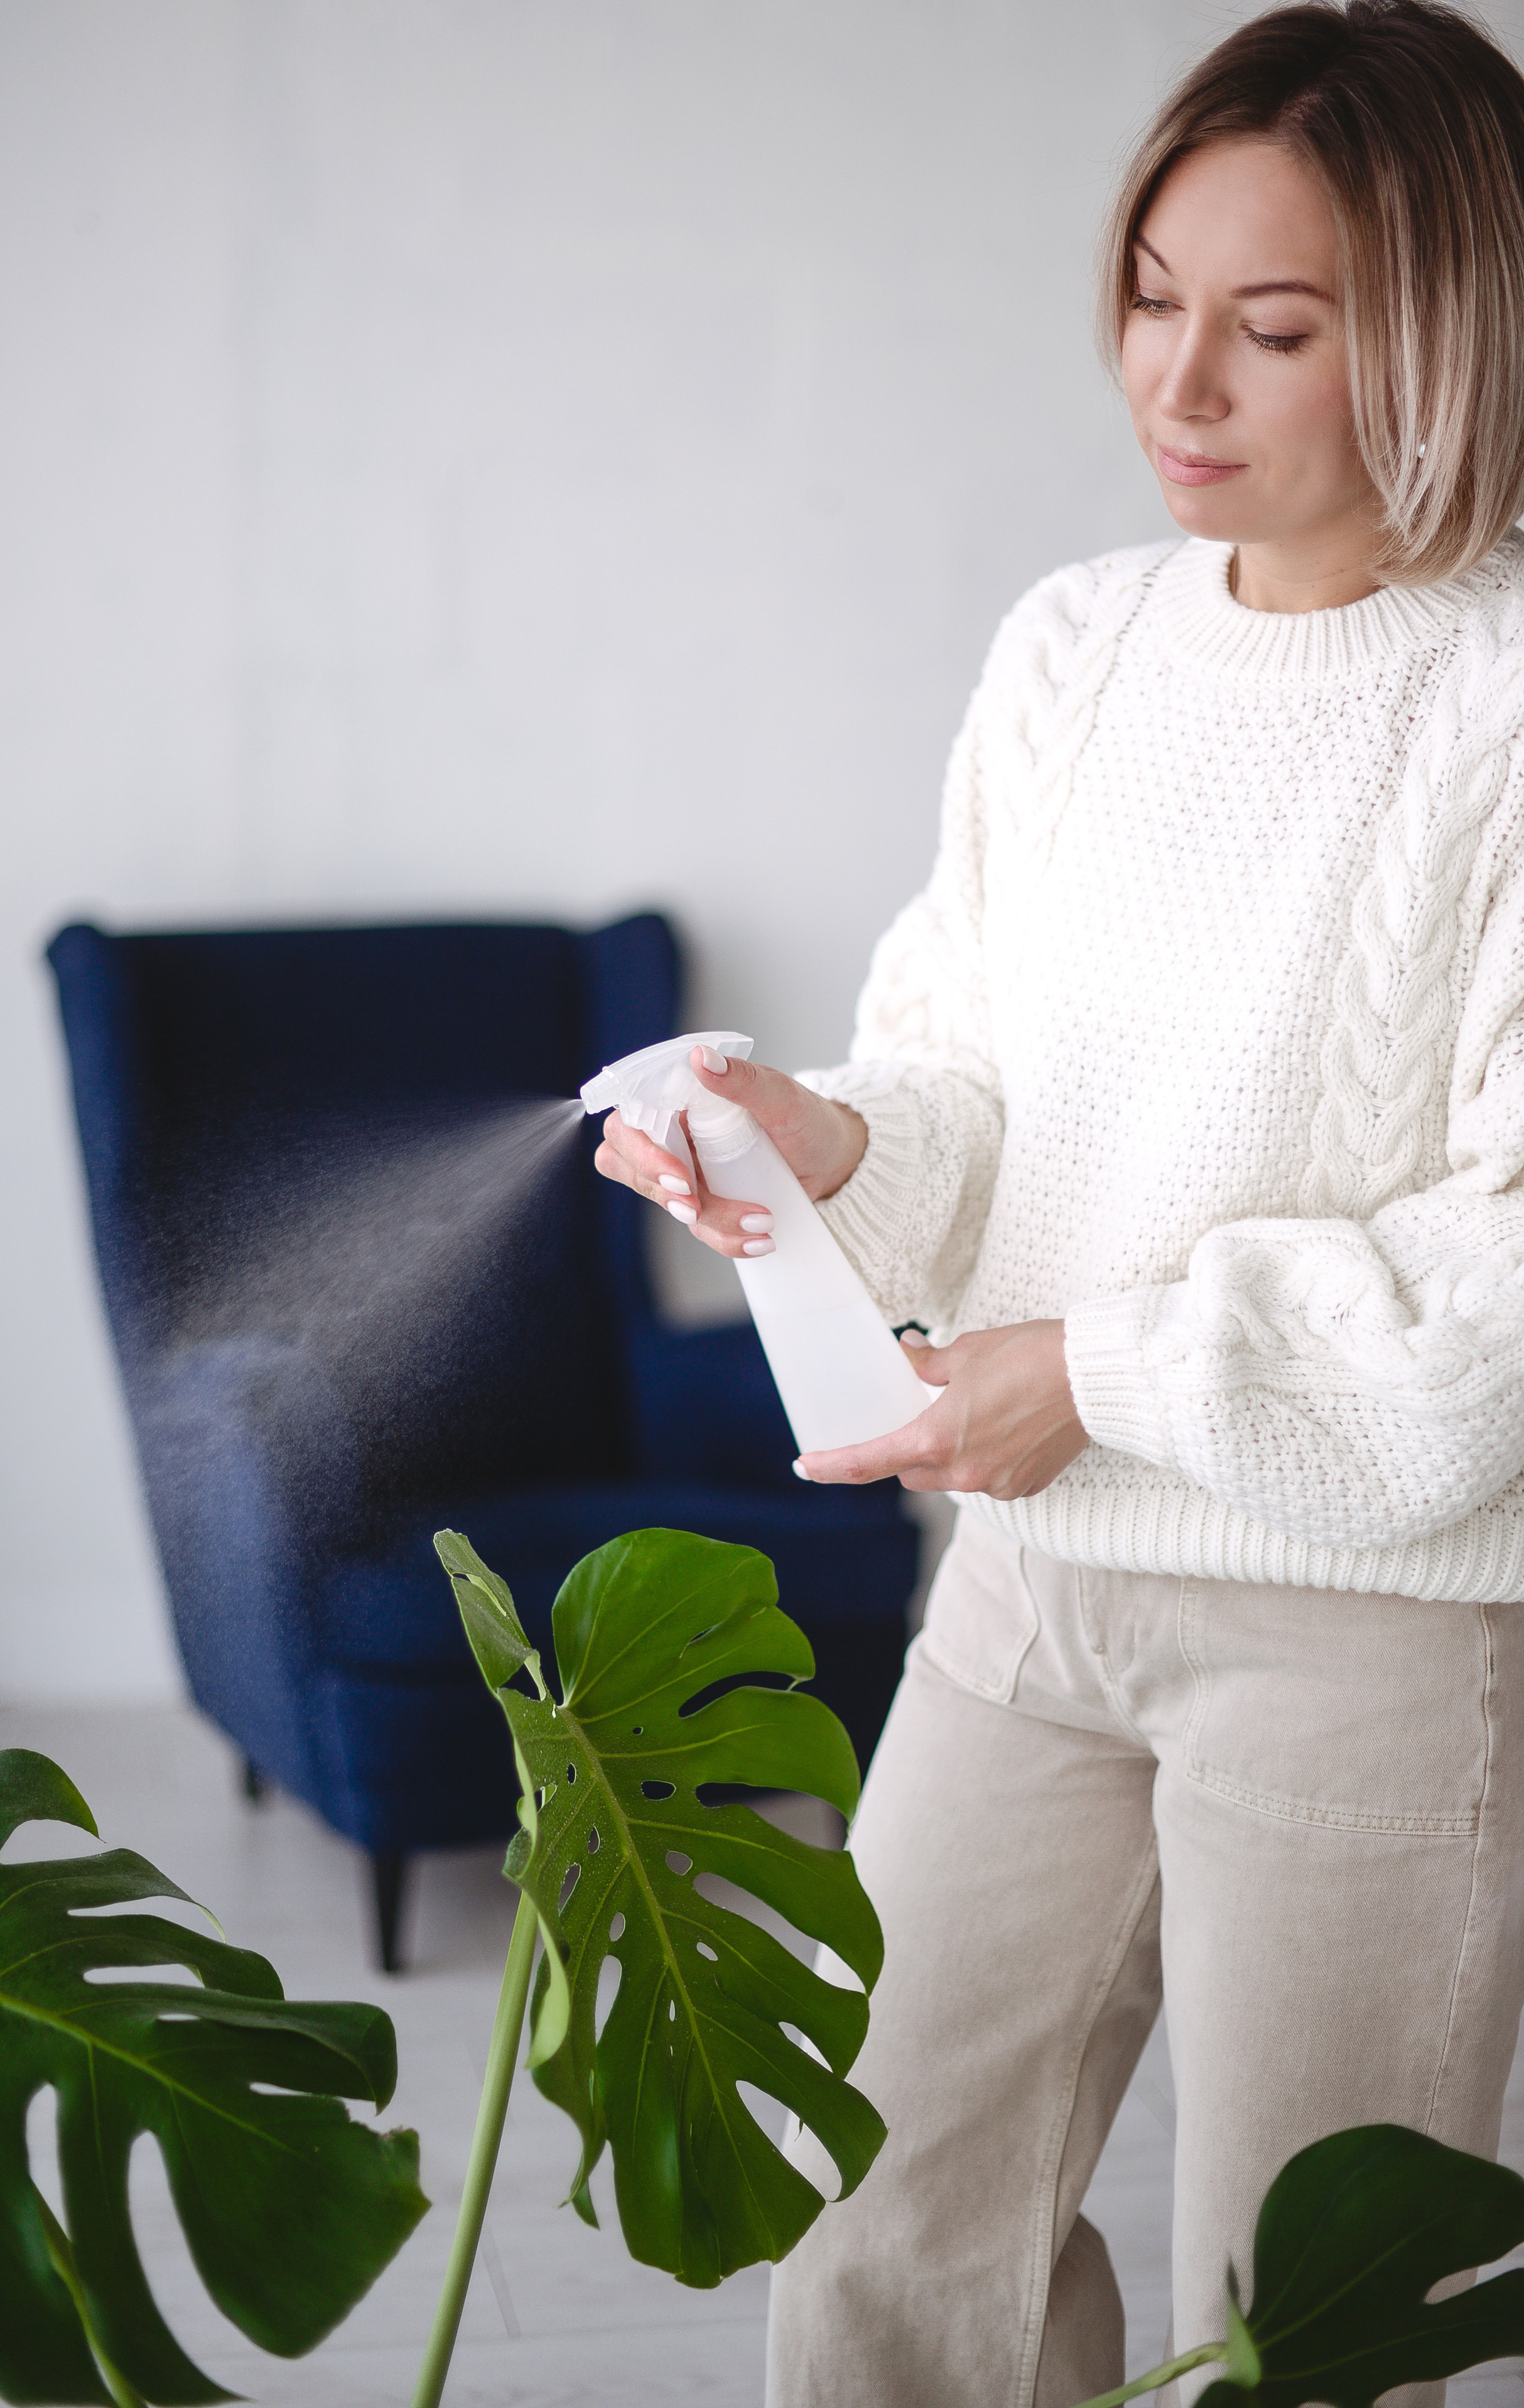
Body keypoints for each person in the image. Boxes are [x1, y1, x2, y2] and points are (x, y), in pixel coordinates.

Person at [595, 3, 1524, 2399]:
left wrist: (1090, 1370)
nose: (1175, 376)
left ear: (1446, 325)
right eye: (1148, 290)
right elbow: (971, 1071)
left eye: (1276, 324)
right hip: (1034, 1574)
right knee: (881, 2199)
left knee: (1300, 2320)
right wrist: (823, 1143)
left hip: (1373, 1627)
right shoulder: (1076, 645)